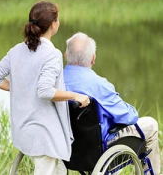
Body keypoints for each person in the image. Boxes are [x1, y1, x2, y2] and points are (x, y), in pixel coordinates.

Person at [0, 2, 90, 175]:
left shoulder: (17, 50)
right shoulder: (52, 54)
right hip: (43, 135)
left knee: (58, 171)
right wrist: (75, 96)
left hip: (23, 131)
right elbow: (45, 91)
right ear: (53, 24)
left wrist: (22, 86)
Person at [63, 32, 161, 175]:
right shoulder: (99, 85)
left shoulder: (55, 84)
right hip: (98, 152)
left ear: (66, 55)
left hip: (68, 150)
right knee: (151, 125)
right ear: (93, 58)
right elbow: (130, 117)